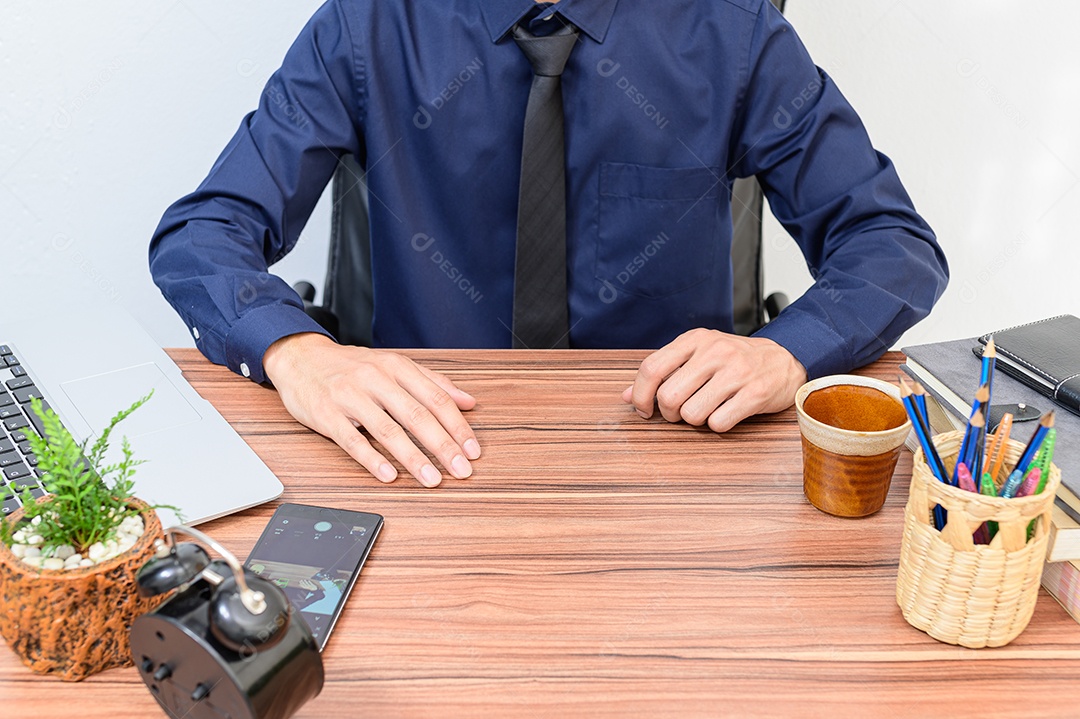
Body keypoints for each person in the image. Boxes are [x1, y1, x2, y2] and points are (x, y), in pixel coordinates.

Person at [149, 0, 949, 489]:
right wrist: (298, 354)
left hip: (672, 465)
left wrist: (787, 352)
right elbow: (203, 233)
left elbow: (890, 242)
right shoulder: (368, 24)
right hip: (418, 451)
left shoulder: (736, 34)